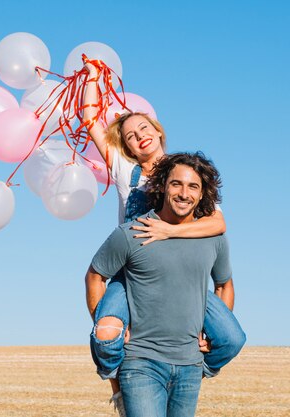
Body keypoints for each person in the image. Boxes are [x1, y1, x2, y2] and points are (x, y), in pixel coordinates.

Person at [83, 62, 246, 414]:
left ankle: (192, 367)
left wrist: (170, 230)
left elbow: (218, 223)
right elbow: (89, 118)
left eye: (144, 128)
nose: (138, 135)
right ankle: (119, 386)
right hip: (133, 269)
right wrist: (94, 77)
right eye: (129, 135)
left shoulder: (185, 173)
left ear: (158, 131)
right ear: (125, 146)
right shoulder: (125, 169)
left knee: (231, 338)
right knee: (107, 329)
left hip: (183, 274)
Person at [86, 152, 236, 417]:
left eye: (193, 186)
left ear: (202, 195)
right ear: (163, 185)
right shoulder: (132, 233)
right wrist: (110, 325)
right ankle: (113, 380)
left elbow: (224, 285)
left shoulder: (213, 239)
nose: (184, 193)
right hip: (141, 362)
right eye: (176, 183)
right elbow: (95, 276)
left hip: (190, 365)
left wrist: (210, 336)